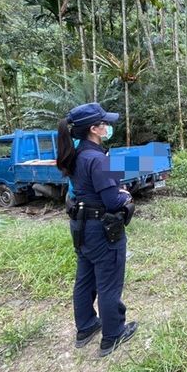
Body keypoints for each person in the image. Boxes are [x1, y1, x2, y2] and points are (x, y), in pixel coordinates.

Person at [56, 102, 137, 357]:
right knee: (109, 282)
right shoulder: (99, 158)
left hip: (80, 227)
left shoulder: (77, 155)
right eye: (104, 123)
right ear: (94, 128)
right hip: (102, 229)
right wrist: (125, 196)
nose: (108, 126)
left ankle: (86, 327)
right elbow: (112, 201)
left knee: (85, 279)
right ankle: (113, 335)